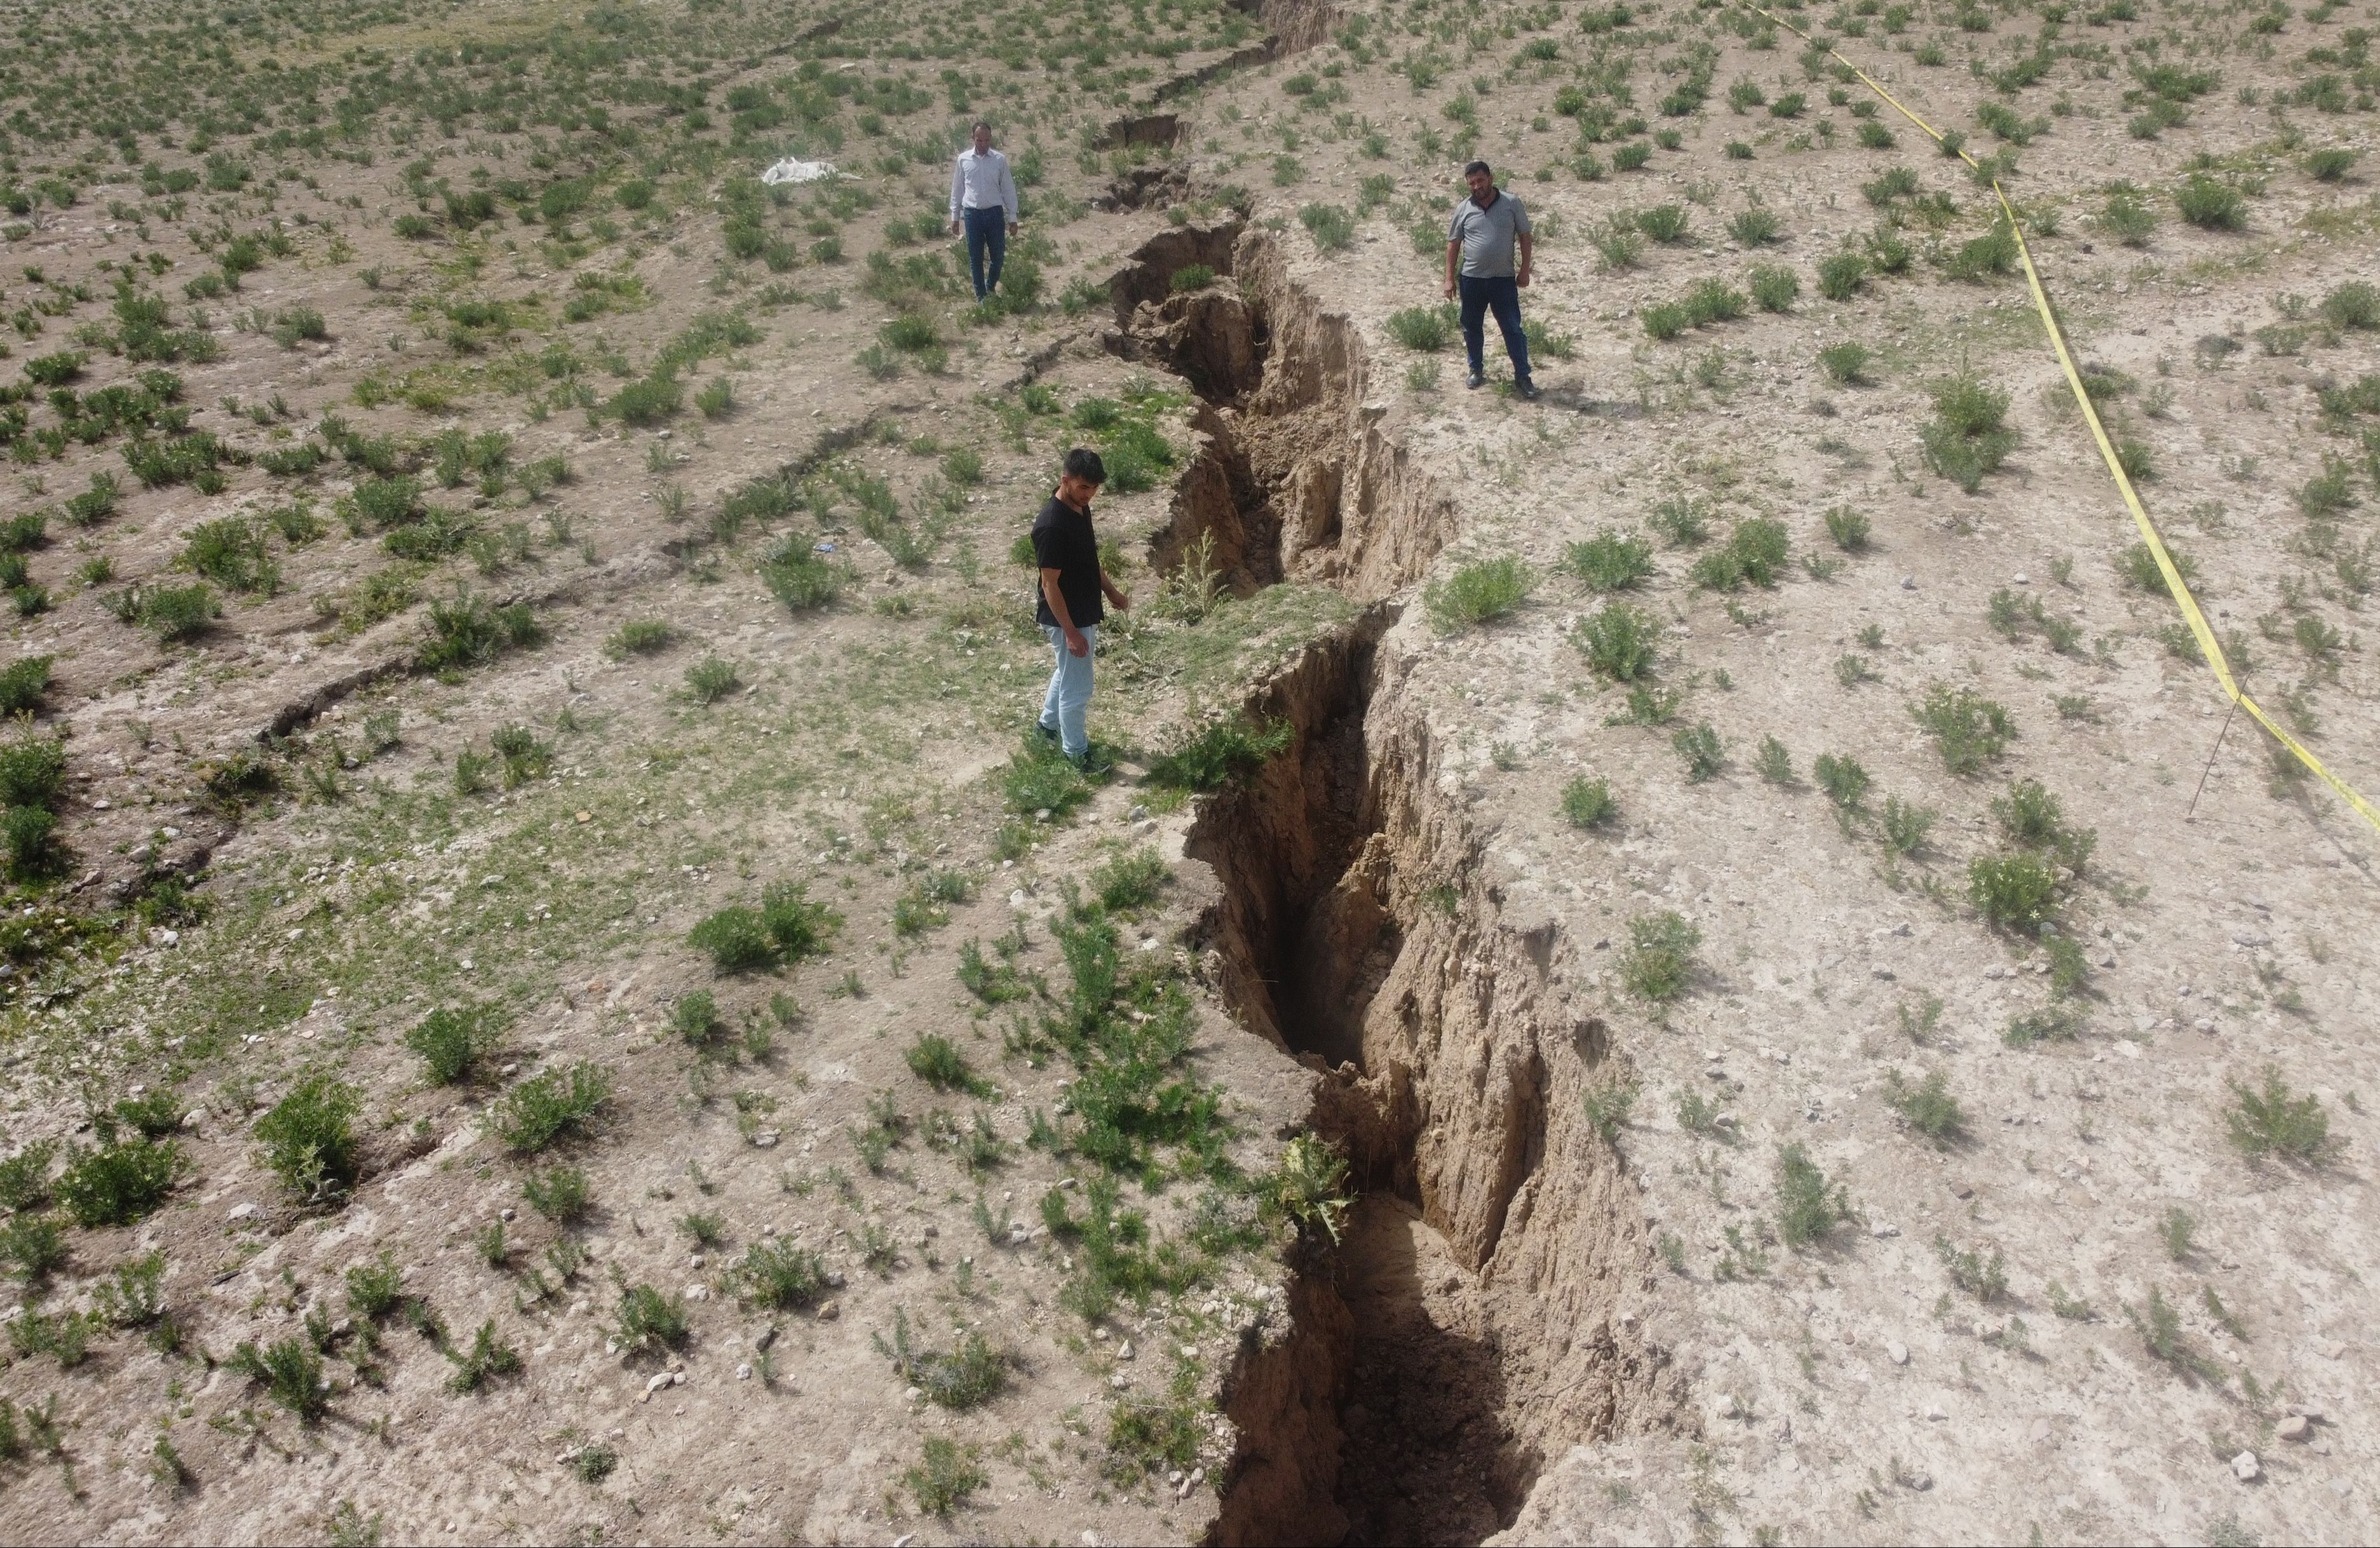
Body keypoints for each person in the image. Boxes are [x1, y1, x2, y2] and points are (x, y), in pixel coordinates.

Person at [1033, 448, 1129, 765]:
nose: (1090, 494)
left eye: (1095, 488)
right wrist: (1072, 633)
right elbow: (1050, 584)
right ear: (1066, 480)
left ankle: (1047, 728)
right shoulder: (1051, 526)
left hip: (1082, 612)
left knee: (1067, 674)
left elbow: (1090, 560)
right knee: (1079, 688)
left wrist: (1112, 591)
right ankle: (1076, 754)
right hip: (1066, 618)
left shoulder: (1079, 509)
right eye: (1084, 487)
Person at [1443, 159, 1538, 400]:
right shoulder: (1463, 208)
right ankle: (1476, 369)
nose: (1477, 187)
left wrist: (1524, 270)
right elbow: (1454, 244)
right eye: (1471, 183)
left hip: (1503, 280)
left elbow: (1525, 237)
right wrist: (1449, 279)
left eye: (1480, 181)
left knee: (1512, 328)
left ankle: (1523, 375)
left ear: (1491, 178)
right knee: (1472, 327)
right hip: (1471, 280)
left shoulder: (1511, 203)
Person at [948, 121, 1020, 303]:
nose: (983, 144)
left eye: (986, 140)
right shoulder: (963, 159)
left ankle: (990, 286)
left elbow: (1008, 189)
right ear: (973, 138)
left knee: (998, 255)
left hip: (995, 214)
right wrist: (955, 216)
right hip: (972, 214)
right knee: (976, 257)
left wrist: (1013, 217)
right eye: (979, 140)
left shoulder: (999, 160)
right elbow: (957, 189)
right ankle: (981, 296)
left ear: (991, 139)